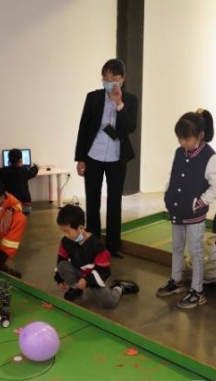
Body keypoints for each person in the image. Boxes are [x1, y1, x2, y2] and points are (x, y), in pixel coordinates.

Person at [156, 109, 216, 309]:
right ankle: (176, 280)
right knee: (177, 248)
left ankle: (197, 291)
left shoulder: (210, 157)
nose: (182, 143)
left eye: (186, 139)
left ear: (200, 135)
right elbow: (173, 175)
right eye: (179, 138)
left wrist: (200, 202)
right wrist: (168, 194)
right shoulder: (179, 152)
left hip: (194, 215)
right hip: (177, 210)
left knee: (195, 252)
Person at [74, 58, 138, 258]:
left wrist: (119, 104)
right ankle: (93, 243)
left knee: (114, 201)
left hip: (116, 157)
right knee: (92, 200)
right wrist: (80, 158)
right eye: (105, 77)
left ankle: (112, 246)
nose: (109, 81)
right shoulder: (93, 97)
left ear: (122, 79)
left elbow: (130, 127)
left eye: (113, 77)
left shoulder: (130, 99)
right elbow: (84, 128)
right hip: (93, 155)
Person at [54, 205, 139, 308]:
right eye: (63, 231)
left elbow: (104, 271)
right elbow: (61, 259)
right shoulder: (65, 241)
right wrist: (59, 278)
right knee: (62, 265)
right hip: (78, 271)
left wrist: (87, 281)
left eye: (67, 231)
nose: (65, 235)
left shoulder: (97, 246)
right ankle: (76, 289)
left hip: (94, 276)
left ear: (80, 228)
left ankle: (120, 287)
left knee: (109, 302)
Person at [0, 148, 39, 214]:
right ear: (20, 160)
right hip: (25, 205)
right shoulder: (24, 171)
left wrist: (9, 166)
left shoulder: (2, 172)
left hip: (10, 206)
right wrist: (36, 167)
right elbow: (33, 172)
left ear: (9, 160)